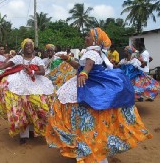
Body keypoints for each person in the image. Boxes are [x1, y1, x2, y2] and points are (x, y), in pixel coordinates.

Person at [45, 28, 152, 163]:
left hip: (88, 83)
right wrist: (68, 59)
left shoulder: (93, 51)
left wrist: (85, 73)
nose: (85, 38)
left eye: (88, 36)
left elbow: (88, 64)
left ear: (96, 40)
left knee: (83, 115)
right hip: (88, 81)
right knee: (89, 117)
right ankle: (91, 149)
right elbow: (80, 65)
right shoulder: (96, 52)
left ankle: (88, 149)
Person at [0, 38, 54, 144]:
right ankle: (23, 135)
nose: (29, 47)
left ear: (33, 47)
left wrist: (32, 71)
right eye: (26, 45)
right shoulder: (18, 58)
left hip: (35, 85)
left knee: (38, 106)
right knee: (21, 108)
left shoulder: (37, 59)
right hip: (19, 86)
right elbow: (4, 66)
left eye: (30, 45)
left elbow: (42, 71)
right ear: (23, 47)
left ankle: (34, 130)